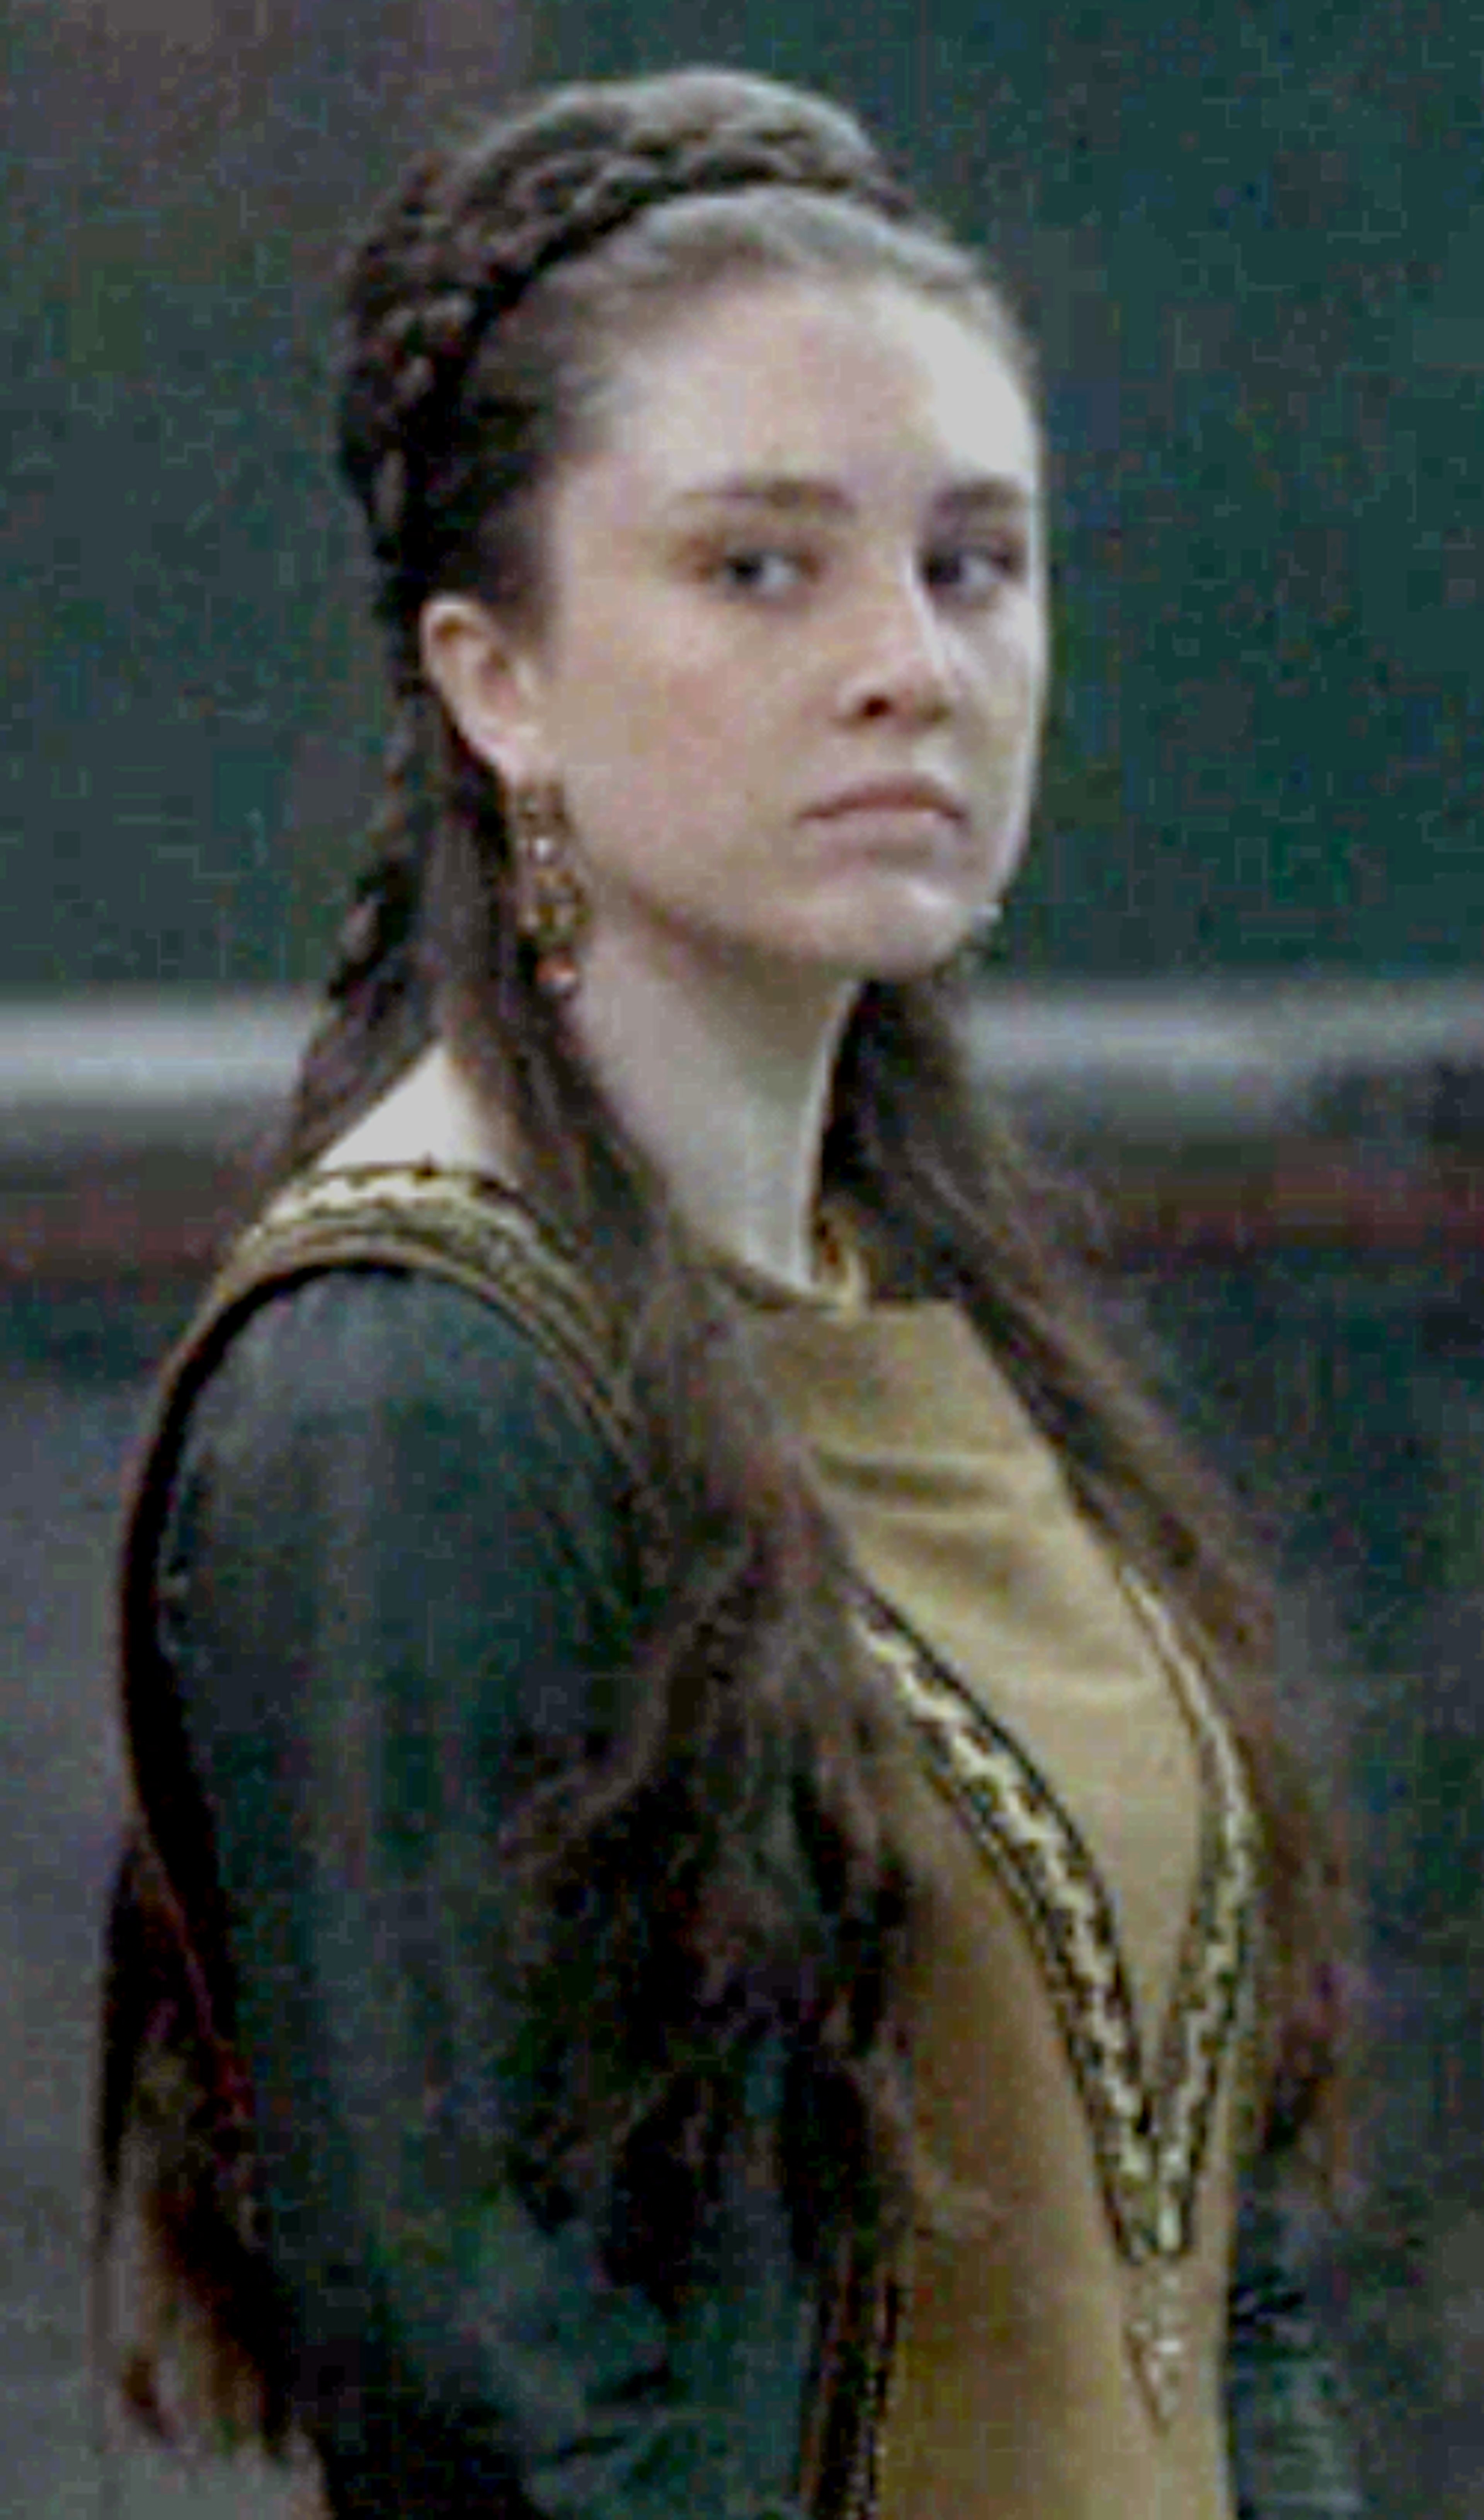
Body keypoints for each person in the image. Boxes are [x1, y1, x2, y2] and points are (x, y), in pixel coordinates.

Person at [92, 67, 1364, 2519]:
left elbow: (1236, 2273)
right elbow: (503, 2413)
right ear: (498, 678)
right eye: (761, 569)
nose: (911, 663)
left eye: (977, 564)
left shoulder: (950, 1324)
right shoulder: (413, 1383)